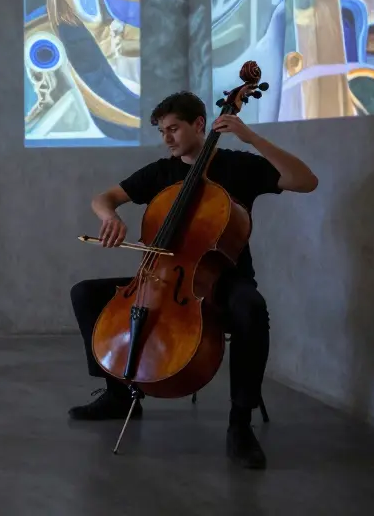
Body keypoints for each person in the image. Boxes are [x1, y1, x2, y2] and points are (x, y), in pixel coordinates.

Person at [68, 91, 318, 469]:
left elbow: (305, 181)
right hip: (163, 278)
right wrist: (110, 217)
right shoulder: (162, 172)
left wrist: (252, 138)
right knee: (86, 293)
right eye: (162, 131)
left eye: (173, 129)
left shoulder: (238, 166)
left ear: (199, 124)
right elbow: (104, 198)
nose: (166, 138)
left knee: (252, 308)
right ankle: (118, 394)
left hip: (224, 279)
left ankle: (240, 423)